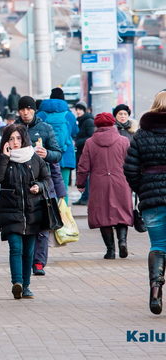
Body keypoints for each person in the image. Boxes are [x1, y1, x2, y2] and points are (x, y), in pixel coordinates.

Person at [0, 124, 51, 299]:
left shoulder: (34, 159)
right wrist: (4, 157)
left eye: (18, 138)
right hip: (10, 211)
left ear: (24, 139)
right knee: (15, 248)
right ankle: (17, 283)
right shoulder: (3, 158)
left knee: (28, 252)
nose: (15, 142)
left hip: (33, 212)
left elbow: (47, 180)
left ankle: (26, 286)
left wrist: (39, 186)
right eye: (11, 139)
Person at [124, 90, 166, 315]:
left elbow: (129, 168)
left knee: (158, 245)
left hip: (152, 199)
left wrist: (143, 188)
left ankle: (155, 291)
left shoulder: (142, 134)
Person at [15, 96, 65, 276]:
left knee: (43, 226)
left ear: (34, 110)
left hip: (44, 183)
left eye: (29, 109)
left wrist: (48, 153)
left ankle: (39, 263)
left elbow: (58, 154)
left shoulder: (45, 128)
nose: (25, 112)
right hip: (20, 184)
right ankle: (23, 259)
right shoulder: (14, 129)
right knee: (24, 225)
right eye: (22, 109)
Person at [76, 112, 133, 260]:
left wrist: (80, 183)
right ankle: (122, 241)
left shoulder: (90, 142)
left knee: (103, 215)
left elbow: (83, 166)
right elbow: (131, 163)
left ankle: (110, 250)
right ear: (112, 123)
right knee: (122, 212)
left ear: (97, 125)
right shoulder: (124, 141)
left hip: (99, 183)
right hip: (121, 181)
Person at [37, 87, 79, 204]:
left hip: (45, 155)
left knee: (46, 186)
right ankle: (63, 216)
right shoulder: (69, 114)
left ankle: (50, 216)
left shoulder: (41, 114)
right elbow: (75, 131)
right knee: (63, 188)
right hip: (65, 155)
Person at [72, 101, 94, 205]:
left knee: (85, 175)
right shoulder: (80, 121)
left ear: (84, 110)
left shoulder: (88, 121)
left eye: (80, 109)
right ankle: (84, 197)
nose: (78, 111)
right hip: (81, 151)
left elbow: (91, 137)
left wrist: (77, 142)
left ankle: (86, 198)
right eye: (77, 109)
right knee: (82, 175)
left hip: (85, 152)